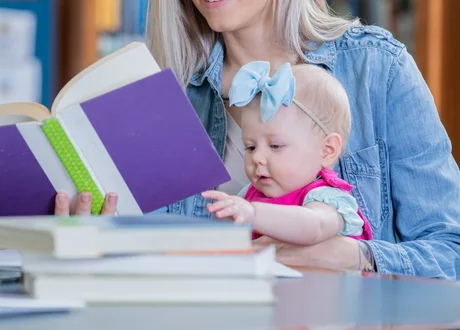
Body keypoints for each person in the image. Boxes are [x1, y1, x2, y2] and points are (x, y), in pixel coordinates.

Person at [55, 0, 460, 280]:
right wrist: (94, 242)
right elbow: (150, 273)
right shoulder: (164, 99)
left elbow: (451, 249)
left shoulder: (376, 67)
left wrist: (361, 257)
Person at [203, 62, 373, 248]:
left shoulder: (326, 198)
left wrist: (254, 214)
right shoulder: (250, 195)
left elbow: (314, 227)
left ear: (327, 150)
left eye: (275, 145)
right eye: (250, 147)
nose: (257, 157)